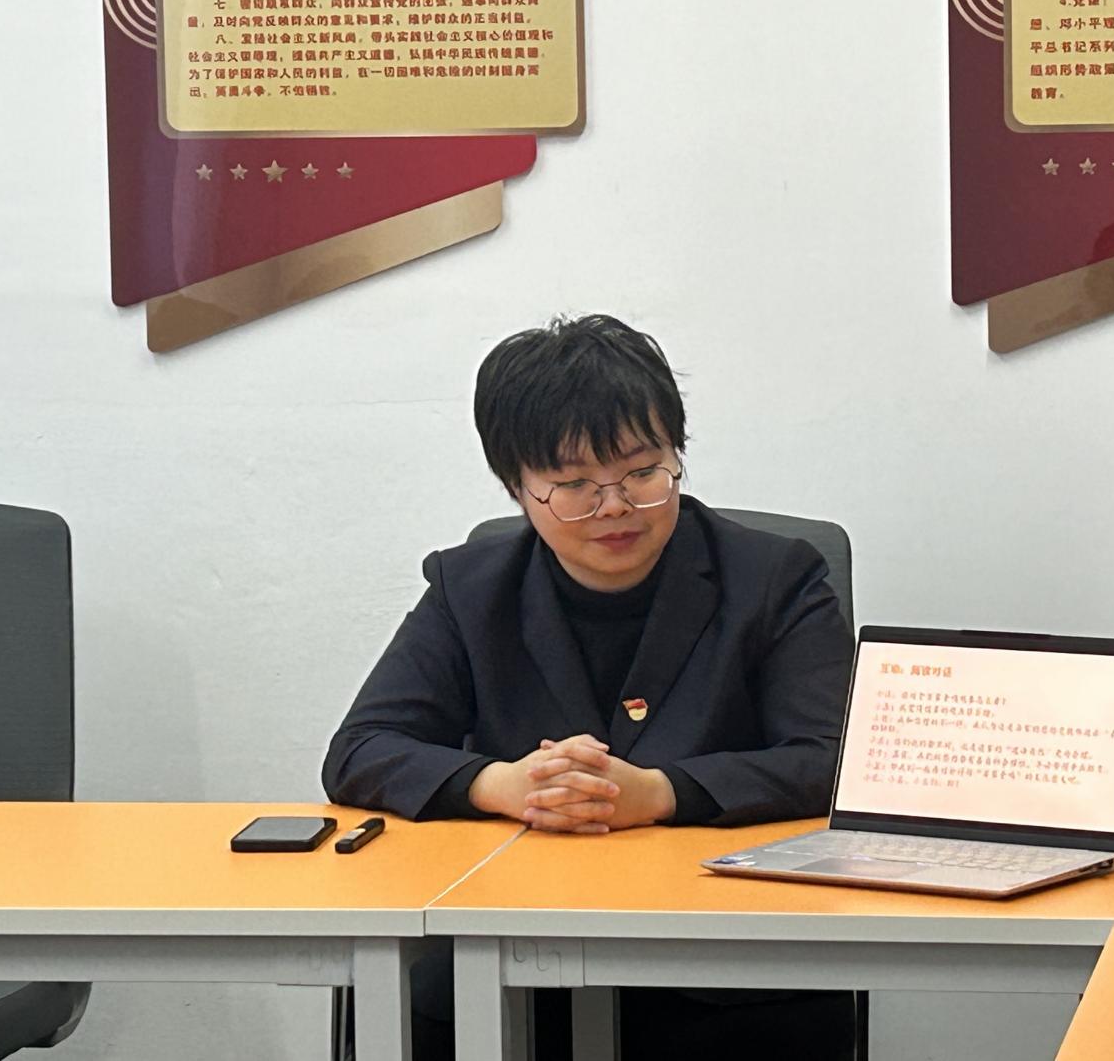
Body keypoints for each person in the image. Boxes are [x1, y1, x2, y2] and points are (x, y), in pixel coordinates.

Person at [324, 313, 855, 1059]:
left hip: (723, 957)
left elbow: (834, 760)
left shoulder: (777, 579)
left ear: (676, 455)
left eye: (643, 472)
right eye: (574, 484)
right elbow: (361, 750)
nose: (615, 506)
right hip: (513, 947)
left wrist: (661, 793)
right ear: (517, 487)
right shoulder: (469, 588)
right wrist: (504, 785)